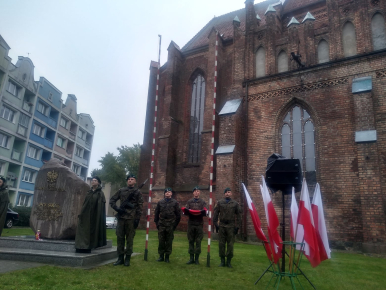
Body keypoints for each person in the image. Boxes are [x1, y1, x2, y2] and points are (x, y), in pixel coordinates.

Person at [110, 174, 143, 266]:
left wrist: (137, 219)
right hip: (121, 218)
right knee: (120, 238)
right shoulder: (121, 190)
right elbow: (112, 201)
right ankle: (120, 258)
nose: (130, 180)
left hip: (131, 219)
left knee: (129, 239)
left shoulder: (137, 192)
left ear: (135, 181)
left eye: (132, 179)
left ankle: (127, 258)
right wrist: (117, 209)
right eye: (128, 179)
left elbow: (140, 206)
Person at [75, 176, 107, 253]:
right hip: (86, 215)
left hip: (94, 215)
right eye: (92, 180)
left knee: (91, 231)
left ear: (98, 182)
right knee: (82, 230)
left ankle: (88, 247)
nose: (93, 182)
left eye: (95, 180)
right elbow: (85, 203)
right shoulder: (89, 192)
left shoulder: (100, 193)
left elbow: (100, 206)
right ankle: (80, 247)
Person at [213, 187, 241, 268]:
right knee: (221, 244)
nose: (227, 193)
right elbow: (215, 214)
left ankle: (228, 261)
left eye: (229, 192)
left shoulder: (235, 204)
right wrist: (216, 225)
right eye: (226, 192)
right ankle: (222, 261)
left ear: (231, 193)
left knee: (230, 244)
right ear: (224, 194)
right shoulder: (220, 203)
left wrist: (237, 227)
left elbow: (239, 216)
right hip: (222, 226)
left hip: (231, 226)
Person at [154, 187, 181, 263]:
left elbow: (178, 215)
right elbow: (156, 213)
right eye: (166, 192)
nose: (167, 193)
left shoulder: (175, 203)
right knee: (161, 241)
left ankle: (167, 257)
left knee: (169, 241)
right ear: (164, 193)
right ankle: (161, 256)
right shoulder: (160, 202)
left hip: (170, 225)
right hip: (162, 224)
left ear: (171, 193)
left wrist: (174, 225)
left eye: (169, 192)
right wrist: (157, 223)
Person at [183, 186, 207, 265]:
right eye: (195, 191)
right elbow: (185, 211)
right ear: (193, 193)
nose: (196, 192)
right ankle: (191, 258)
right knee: (191, 241)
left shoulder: (203, 202)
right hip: (191, 223)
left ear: (199, 192)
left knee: (198, 241)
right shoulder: (189, 202)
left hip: (199, 224)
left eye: (198, 191)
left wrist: (204, 212)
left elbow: (206, 212)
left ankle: (196, 259)